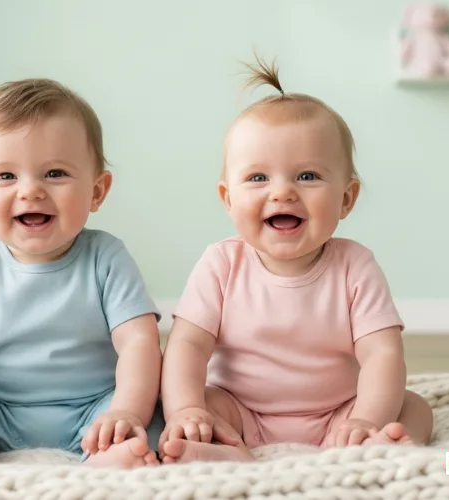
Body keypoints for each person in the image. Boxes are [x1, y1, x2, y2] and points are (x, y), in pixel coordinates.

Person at [158, 57, 434, 464]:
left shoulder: (355, 266)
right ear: (227, 199)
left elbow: (382, 355)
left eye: (307, 176)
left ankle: (372, 447)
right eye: (258, 178)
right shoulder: (221, 264)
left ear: (346, 198)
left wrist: (365, 417)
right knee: (200, 407)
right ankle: (223, 450)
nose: (282, 193)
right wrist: (186, 410)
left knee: (413, 407)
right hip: (240, 410)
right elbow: (187, 346)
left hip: (338, 414)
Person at [0, 78, 164, 471]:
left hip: (95, 406)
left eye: (54, 173)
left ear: (97, 190)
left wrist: (125, 411)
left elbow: (139, 342)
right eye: (6, 177)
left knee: (155, 404)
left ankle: (113, 449)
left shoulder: (106, 256)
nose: (30, 191)